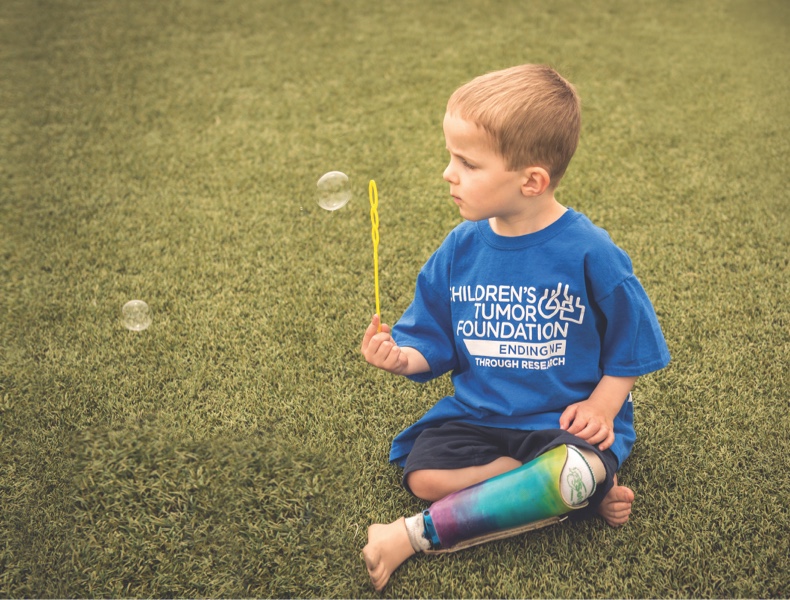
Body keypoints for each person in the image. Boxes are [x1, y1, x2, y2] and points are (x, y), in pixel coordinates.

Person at [360, 64, 670, 591]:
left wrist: (602, 407)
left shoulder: (591, 251)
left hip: (564, 420)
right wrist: (402, 357)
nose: (448, 173)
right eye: (450, 157)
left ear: (531, 181)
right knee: (422, 475)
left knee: (583, 464)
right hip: (480, 417)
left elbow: (632, 342)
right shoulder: (459, 249)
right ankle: (551, 489)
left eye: (467, 163)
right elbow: (432, 339)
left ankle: (413, 536)